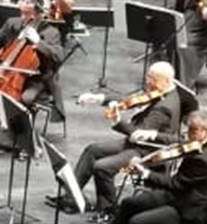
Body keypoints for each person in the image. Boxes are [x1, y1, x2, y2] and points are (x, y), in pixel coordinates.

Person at [71, 61, 184, 215]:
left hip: (146, 152)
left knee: (102, 167)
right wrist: (98, 98)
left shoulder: (165, 107)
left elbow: (138, 135)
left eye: (153, 79)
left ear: (166, 80)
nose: (148, 82)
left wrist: (118, 122)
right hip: (136, 145)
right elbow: (132, 99)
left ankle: (108, 209)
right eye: (148, 77)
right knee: (92, 150)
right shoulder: (163, 89)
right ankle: (71, 197)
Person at [0, 0, 62, 145]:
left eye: (27, 14)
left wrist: (39, 42)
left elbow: (58, 56)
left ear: (38, 14)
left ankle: (24, 142)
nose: (23, 17)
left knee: (25, 99)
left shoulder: (51, 33)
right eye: (21, 12)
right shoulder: (13, 23)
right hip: (8, 70)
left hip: (35, 78)